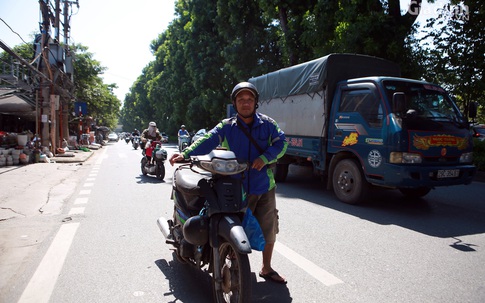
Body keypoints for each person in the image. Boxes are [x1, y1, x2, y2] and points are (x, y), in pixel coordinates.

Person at [170, 82, 288, 284]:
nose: (245, 103)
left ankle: (266, 268)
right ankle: (233, 263)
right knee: (233, 227)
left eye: (249, 99)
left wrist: (265, 157)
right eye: (241, 100)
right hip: (235, 186)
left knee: (269, 228)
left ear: (255, 103)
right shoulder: (227, 126)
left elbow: (282, 143)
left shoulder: (268, 124)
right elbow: (208, 139)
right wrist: (186, 153)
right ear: (235, 103)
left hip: (264, 186)